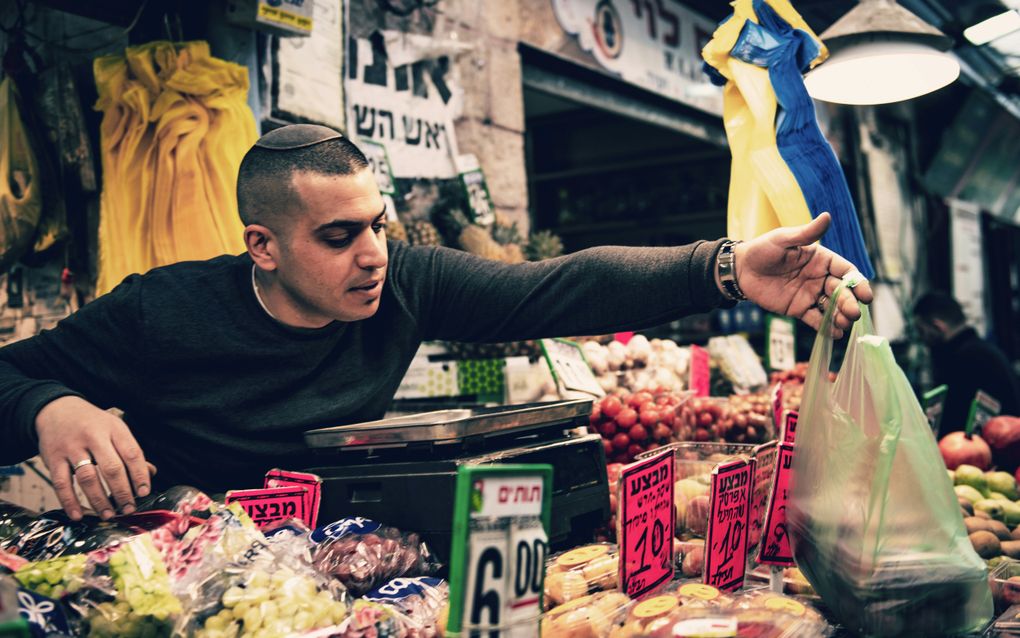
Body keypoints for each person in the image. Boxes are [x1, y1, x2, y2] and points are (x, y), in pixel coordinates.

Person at [0, 124, 872, 522]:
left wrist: (722, 265)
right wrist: (49, 404)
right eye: (339, 237)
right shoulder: (163, 309)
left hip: (344, 560)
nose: (374, 253)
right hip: (191, 566)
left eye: (377, 224)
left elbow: (556, 287)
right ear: (262, 246)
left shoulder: (406, 281)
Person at [914, 291, 1020, 436]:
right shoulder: (983, 350)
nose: (922, 340)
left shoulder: (964, 360)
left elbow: (953, 423)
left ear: (938, 326)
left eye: (922, 331)